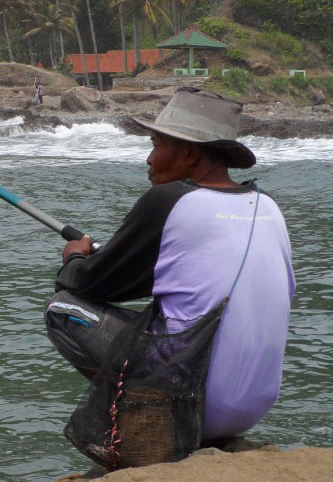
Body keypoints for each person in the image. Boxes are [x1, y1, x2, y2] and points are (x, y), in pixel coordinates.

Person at [45, 87, 294, 443]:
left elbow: (87, 285)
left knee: (61, 309)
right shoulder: (267, 206)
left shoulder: (170, 200)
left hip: (196, 404)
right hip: (251, 409)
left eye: (157, 145)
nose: (149, 158)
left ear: (190, 153)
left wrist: (75, 257)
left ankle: (144, 416)